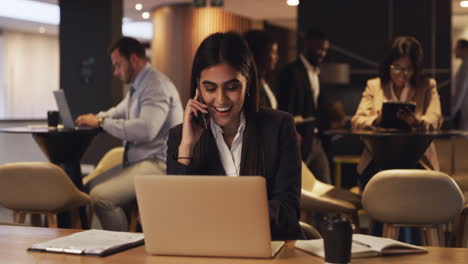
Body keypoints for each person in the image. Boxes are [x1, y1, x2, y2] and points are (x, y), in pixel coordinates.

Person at [166, 32, 303, 240]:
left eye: (232, 87)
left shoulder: (279, 127)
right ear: (197, 87)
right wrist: (187, 147)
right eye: (209, 88)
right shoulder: (179, 137)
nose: (220, 100)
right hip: (208, 250)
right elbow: (174, 216)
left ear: (247, 82)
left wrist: (220, 217)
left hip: (271, 248)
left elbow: (287, 211)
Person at [75, 37, 183, 231]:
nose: (116, 72)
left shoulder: (155, 85)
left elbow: (146, 129)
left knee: (102, 197)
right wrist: (95, 117)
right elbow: (117, 110)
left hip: (159, 164)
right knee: (88, 187)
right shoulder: (139, 86)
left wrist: (101, 122)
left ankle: (121, 250)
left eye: (118, 65)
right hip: (140, 162)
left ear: (134, 59)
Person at [352, 36, 442, 190]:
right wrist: (377, 120)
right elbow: (357, 120)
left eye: (409, 68)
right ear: (388, 66)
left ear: (416, 68)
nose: (403, 73)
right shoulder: (374, 86)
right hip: (378, 159)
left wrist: (418, 121)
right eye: (397, 67)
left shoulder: (427, 86)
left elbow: (436, 118)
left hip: (418, 161)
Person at [277, 28, 331, 184]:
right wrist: (292, 132)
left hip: (315, 139)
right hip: (297, 139)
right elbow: (284, 107)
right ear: (307, 45)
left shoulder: (317, 73)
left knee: (325, 184)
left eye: (325, 50)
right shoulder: (290, 71)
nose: (322, 53)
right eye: (319, 49)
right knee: (294, 186)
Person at [243, 30, 279, 109]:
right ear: (260, 53)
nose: (277, 57)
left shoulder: (267, 80)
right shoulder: (249, 84)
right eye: (273, 52)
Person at [452, 39, 468, 130]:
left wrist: (452, 110)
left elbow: (461, 90)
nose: (454, 50)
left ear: (465, 49)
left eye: (456, 48)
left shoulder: (466, 66)